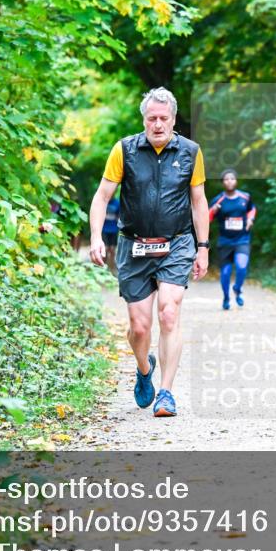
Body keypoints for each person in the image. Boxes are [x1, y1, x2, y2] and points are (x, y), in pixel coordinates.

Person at [88, 87, 210, 418]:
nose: (158, 124)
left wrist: (202, 248)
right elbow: (102, 196)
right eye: (152, 118)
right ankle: (145, 369)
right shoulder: (124, 150)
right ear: (143, 119)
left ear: (173, 119)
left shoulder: (190, 152)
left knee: (169, 313)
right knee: (139, 327)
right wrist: (96, 236)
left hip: (176, 243)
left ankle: (166, 393)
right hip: (134, 245)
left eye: (163, 118)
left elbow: (199, 201)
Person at [208, 169, 256, 310]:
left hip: (242, 239)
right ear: (223, 182)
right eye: (226, 179)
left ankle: (237, 289)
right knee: (225, 273)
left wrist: (250, 219)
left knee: (241, 266)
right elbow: (207, 219)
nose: (229, 181)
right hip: (225, 241)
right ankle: (226, 297)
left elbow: (252, 209)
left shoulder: (245, 197)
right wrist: (213, 211)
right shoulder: (218, 200)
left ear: (236, 181)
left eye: (232, 179)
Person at [102, 195, 121, 271]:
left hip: (114, 229)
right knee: (105, 249)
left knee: (112, 249)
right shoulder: (103, 201)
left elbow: (119, 215)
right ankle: (103, 267)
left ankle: (111, 268)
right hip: (104, 229)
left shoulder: (117, 203)